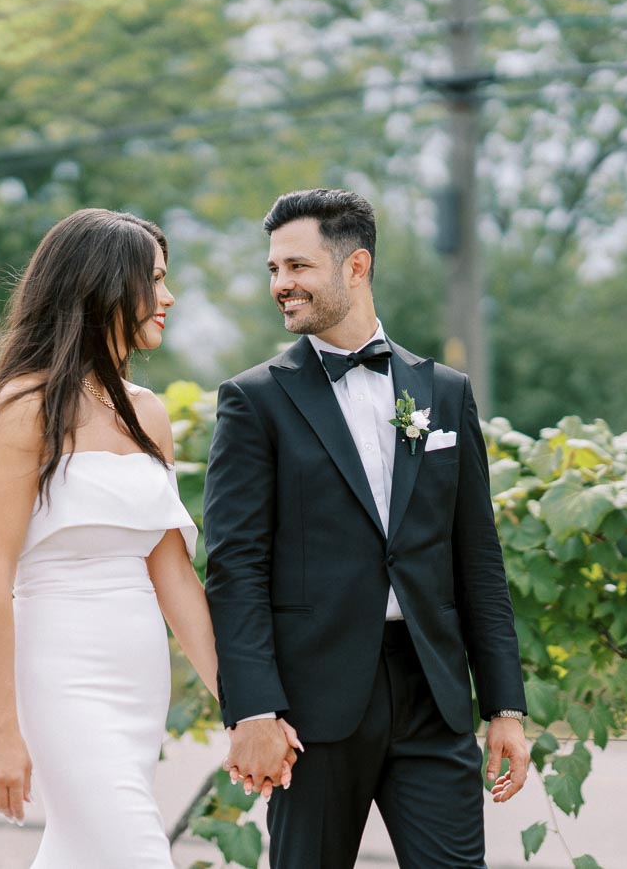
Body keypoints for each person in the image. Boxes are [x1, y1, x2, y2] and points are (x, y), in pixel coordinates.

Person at [204, 188, 531, 868]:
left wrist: (505, 706)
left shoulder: (443, 391)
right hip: (311, 706)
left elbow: (478, 559)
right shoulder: (253, 401)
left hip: (432, 696)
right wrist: (252, 709)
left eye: (296, 267)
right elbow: (236, 569)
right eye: (273, 270)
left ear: (355, 268)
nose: (280, 285)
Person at [0, 208, 296, 868]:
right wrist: (0, 730)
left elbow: (172, 575)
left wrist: (247, 707)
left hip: (138, 683)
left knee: (81, 854)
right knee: (137, 852)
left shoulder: (149, 413)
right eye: (156, 280)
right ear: (102, 286)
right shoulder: (27, 408)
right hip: (60, 677)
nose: (168, 297)